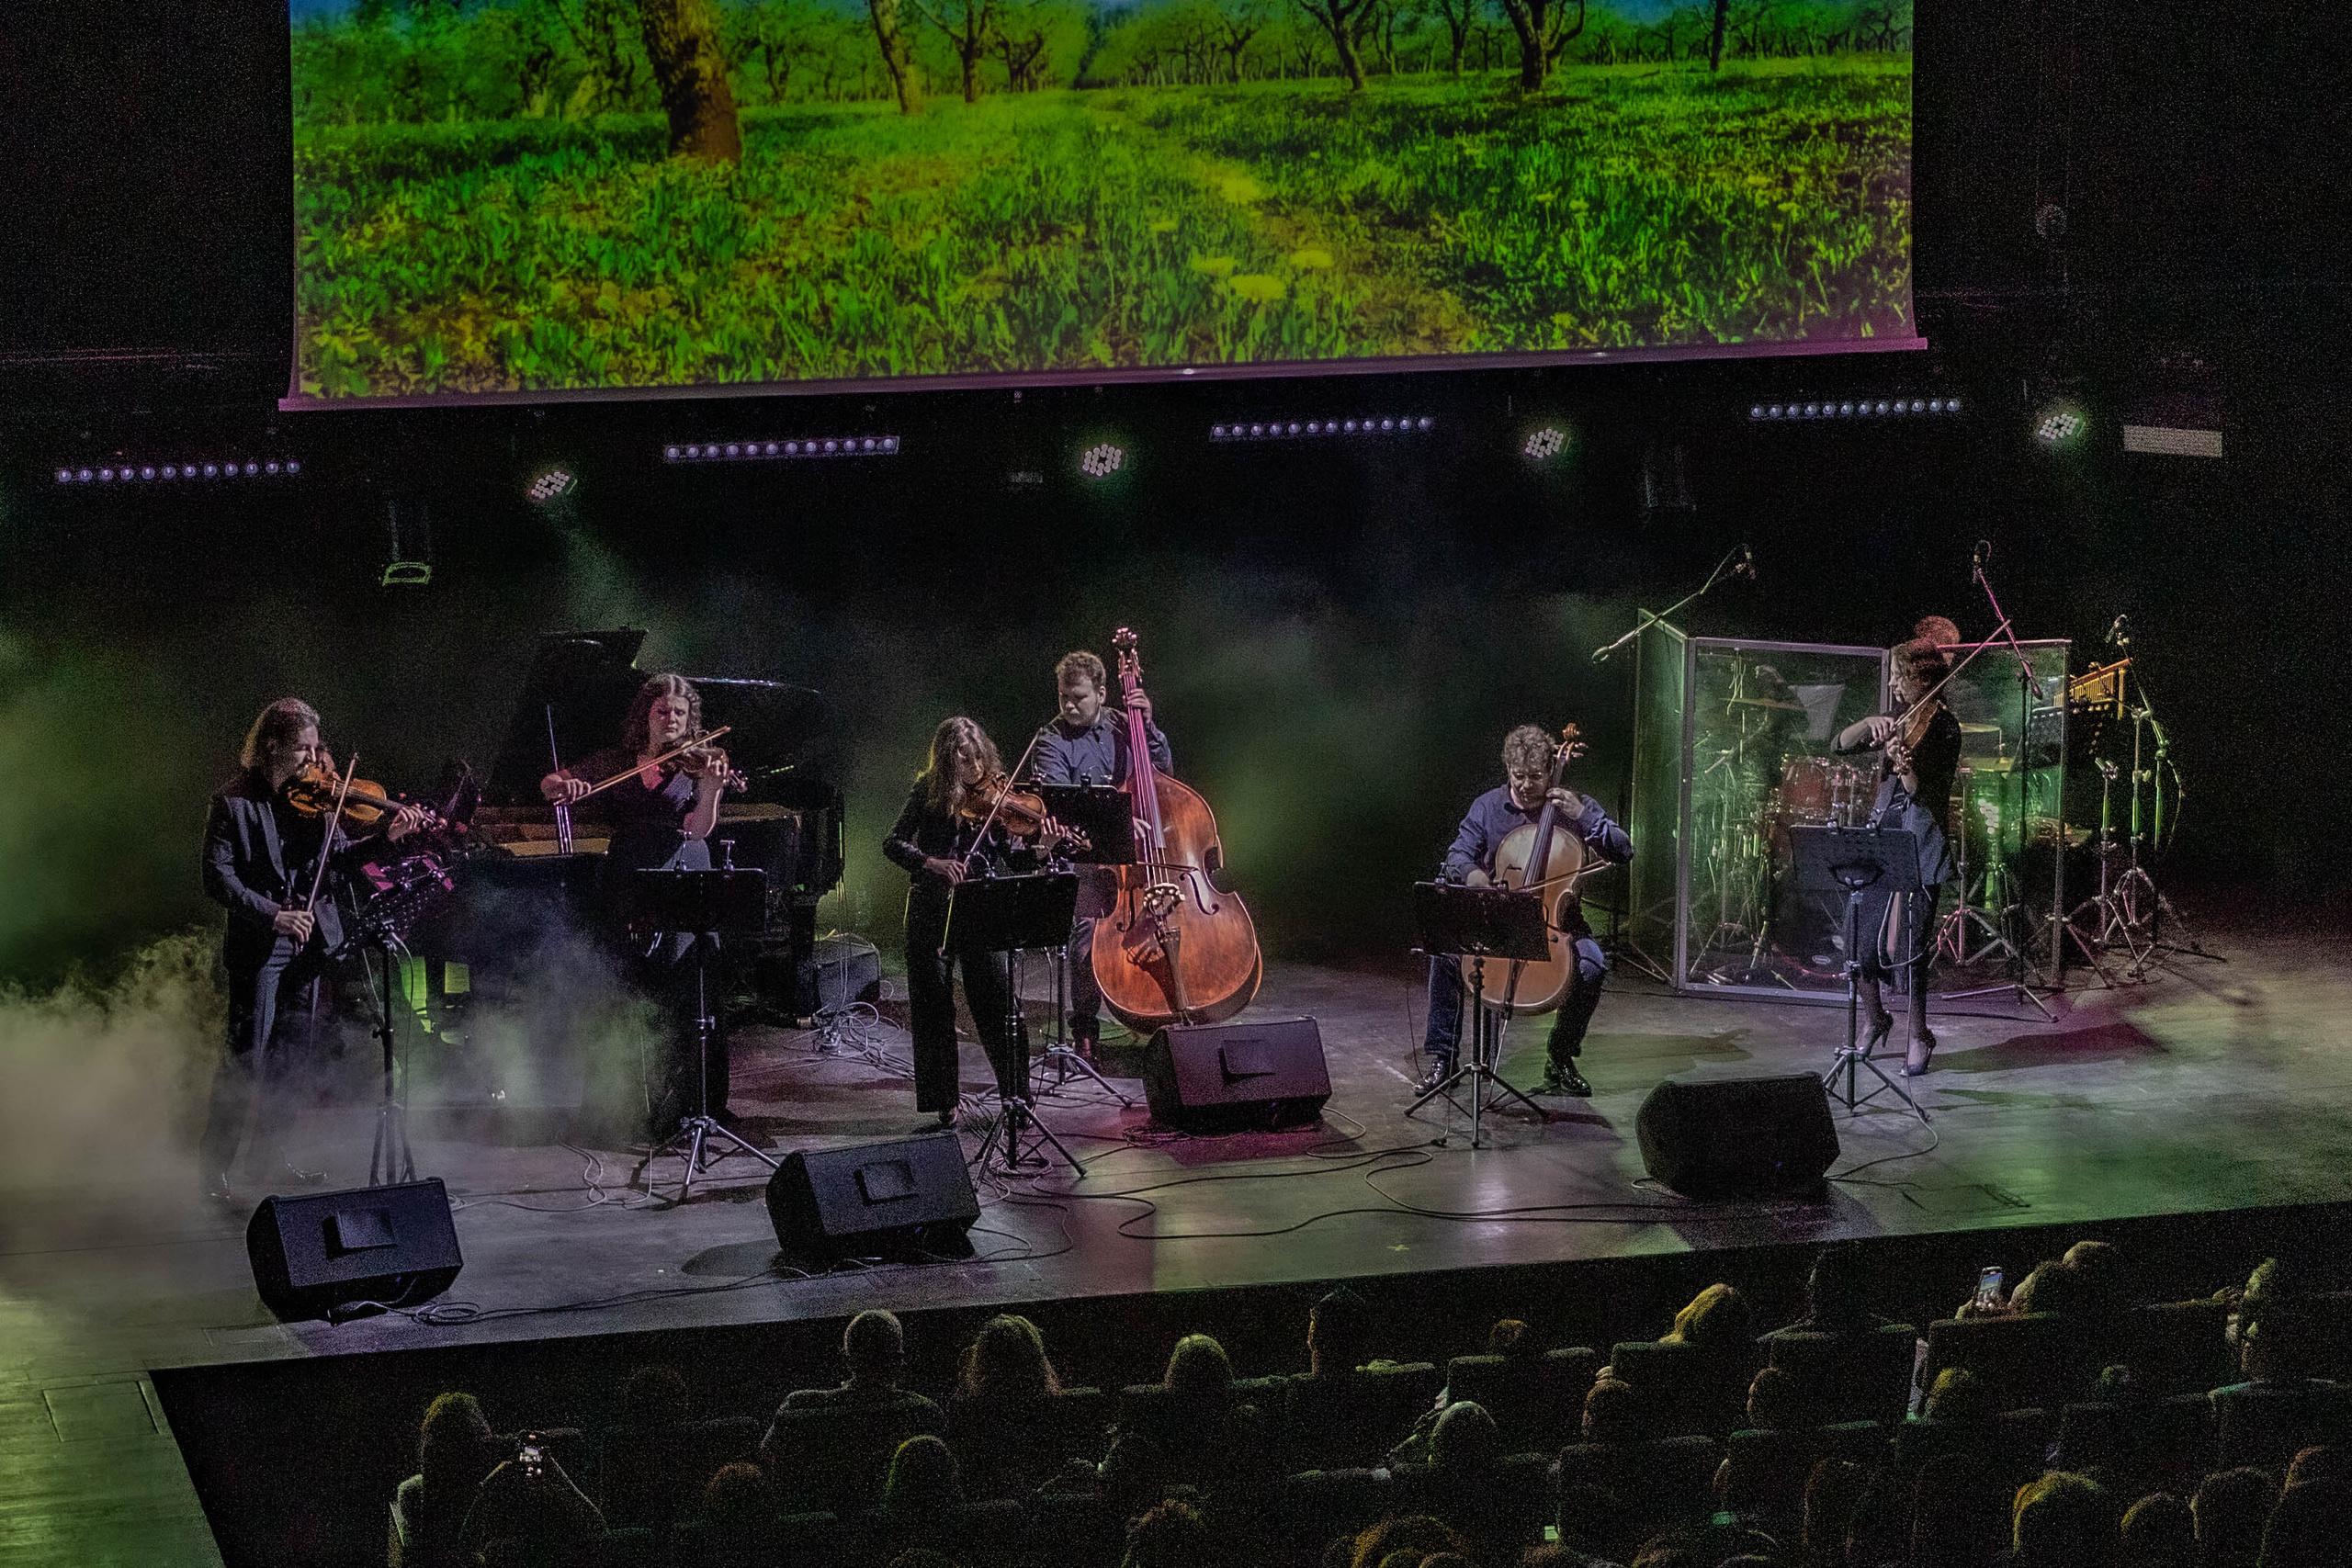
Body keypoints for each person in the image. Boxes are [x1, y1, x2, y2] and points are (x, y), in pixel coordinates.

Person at [201, 697, 426, 1202]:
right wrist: (271, 913)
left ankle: (267, 1159)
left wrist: (387, 836)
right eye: (302, 750)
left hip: (310, 944)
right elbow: (217, 878)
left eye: (316, 749)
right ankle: (213, 1172)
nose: (315, 761)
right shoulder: (233, 802)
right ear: (272, 747)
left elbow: (342, 861)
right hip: (262, 944)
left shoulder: (318, 801)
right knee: (246, 1057)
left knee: (289, 1058)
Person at [541, 672, 744, 1139]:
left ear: (691, 720)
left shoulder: (700, 766)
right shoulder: (617, 761)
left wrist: (712, 791)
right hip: (630, 878)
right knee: (630, 988)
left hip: (683, 874)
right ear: (647, 717)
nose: (670, 718)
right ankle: (628, 1103)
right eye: (662, 711)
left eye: (679, 712)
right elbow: (550, 783)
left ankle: (695, 1105)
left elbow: (697, 829)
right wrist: (565, 787)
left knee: (690, 993)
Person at [1420, 723, 1632, 1098]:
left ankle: (1561, 1056)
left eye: (1535, 776)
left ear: (1551, 771)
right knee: (1446, 952)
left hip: (1557, 921)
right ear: (1508, 770)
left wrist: (1583, 815)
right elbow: (1458, 854)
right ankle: (1443, 1056)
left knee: (1591, 966)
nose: (1526, 785)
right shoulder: (1488, 807)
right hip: (1497, 915)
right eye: (1518, 776)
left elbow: (1622, 849)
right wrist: (1475, 880)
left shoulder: (1573, 807)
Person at [884, 716, 1058, 1125]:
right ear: (947, 762)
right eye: (965, 760)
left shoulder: (997, 798)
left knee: (999, 1006)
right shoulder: (927, 790)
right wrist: (931, 862)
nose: (976, 768)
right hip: (930, 907)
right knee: (933, 1009)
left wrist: (1042, 850)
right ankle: (944, 1102)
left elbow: (1013, 860)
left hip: (979, 906)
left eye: (979, 757)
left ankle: (1017, 1100)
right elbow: (891, 842)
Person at [1028, 649, 1173, 1058]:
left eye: (1079, 697)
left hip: (1140, 856)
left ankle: (1171, 1010)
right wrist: (1118, 827)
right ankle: (1085, 1027)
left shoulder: (1124, 726)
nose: (1069, 705)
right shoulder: (1051, 740)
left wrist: (1150, 729)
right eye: (1064, 697)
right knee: (1087, 936)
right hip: (1085, 858)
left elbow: (1163, 776)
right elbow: (1063, 807)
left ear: (1103, 693)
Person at [1832, 637, 1962, 1076]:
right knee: (1859, 941)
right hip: (1882, 839)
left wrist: (1906, 768)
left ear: (1921, 679)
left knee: (1910, 947)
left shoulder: (1944, 728)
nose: (1891, 683)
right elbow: (1841, 743)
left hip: (1921, 843)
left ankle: (1919, 1033)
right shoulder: (1897, 719)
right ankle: (1875, 1019)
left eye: (1898, 676)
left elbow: (1925, 794)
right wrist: (1870, 723)